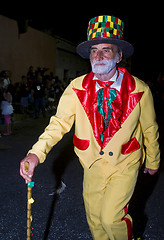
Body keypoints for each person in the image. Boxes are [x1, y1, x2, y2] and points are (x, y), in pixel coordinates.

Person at [20, 15, 160, 240]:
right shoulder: (76, 87)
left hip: (125, 162)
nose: (99, 55)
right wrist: (36, 153)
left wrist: (153, 160)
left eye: (106, 49)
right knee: (94, 218)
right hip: (91, 162)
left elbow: (150, 129)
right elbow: (59, 123)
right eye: (94, 50)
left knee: (111, 218)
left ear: (119, 55)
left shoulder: (140, 89)